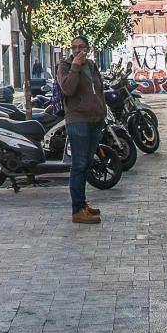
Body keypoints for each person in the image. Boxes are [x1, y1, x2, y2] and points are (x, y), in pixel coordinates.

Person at [58, 36, 108, 224]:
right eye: (74, 47)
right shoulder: (65, 66)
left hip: (95, 119)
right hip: (78, 120)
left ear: (87, 48)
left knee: (86, 163)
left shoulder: (93, 66)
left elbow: (99, 89)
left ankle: (82, 203)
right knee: (78, 164)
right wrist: (75, 67)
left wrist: (102, 110)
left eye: (81, 47)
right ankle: (77, 210)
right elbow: (68, 89)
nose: (77, 50)